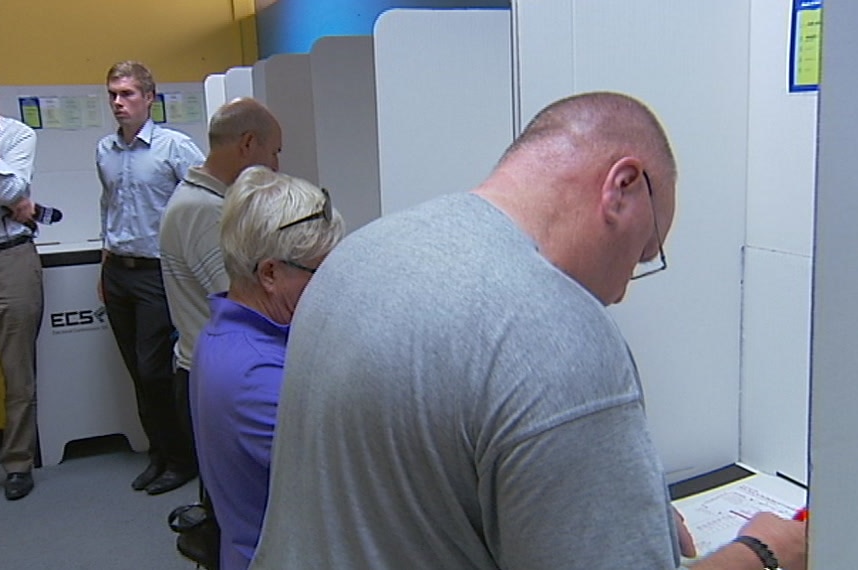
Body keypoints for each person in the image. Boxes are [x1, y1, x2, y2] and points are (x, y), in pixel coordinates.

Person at [248, 92, 807, 570]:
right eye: (642, 253)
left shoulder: (361, 255)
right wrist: (764, 551)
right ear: (623, 186)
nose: (621, 292)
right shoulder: (553, 330)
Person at [191, 166, 344, 570]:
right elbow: (349, 491)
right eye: (321, 272)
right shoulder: (254, 374)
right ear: (271, 273)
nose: (333, 286)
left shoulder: (232, 334)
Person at [97, 60, 204, 495]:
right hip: (118, 270)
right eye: (112, 95)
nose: (118, 103)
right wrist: (104, 266)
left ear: (149, 99)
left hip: (157, 274)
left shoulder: (174, 147)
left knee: (156, 369)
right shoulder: (105, 150)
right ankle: (158, 453)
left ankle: (183, 459)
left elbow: (209, 199)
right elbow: (108, 207)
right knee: (137, 373)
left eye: (127, 94)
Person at [160, 97, 282, 470]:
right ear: (248, 144)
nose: (276, 165)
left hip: (205, 369)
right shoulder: (205, 213)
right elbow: (245, 303)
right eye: (275, 151)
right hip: (213, 375)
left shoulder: (203, 202)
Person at [0, 115, 43, 501]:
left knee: (18, 371)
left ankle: (17, 463)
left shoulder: (16, 134)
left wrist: (14, 198)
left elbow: (14, 189)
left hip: (11, 258)